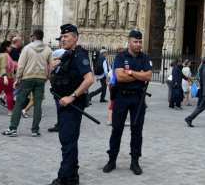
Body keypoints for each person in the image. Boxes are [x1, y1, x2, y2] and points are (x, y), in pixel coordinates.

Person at [47, 24, 95, 185]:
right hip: (60, 102)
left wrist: (72, 96)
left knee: (67, 140)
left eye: (66, 36)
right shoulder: (66, 56)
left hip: (72, 105)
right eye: (61, 37)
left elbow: (90, 79)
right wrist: (51, 67)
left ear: (75, 37)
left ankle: (64, 177)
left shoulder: (79, 55)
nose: (62, 39)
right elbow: (52, 78)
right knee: (67, 139)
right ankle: (73, 176)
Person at [102, 30, 152, 176]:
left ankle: (135, 161)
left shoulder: (145, 57)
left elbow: (148, 76)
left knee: (137, 131)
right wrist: (139, 75)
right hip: (121, 97)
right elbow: (119, 77)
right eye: (135, 41)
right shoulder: (120, 56)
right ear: (129, 42)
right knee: (116, 129)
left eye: (140, 42)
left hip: (138, 98)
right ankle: (112, 160)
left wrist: (130, 73)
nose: (138, 44)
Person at [2, 29, 53, 137]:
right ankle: (35, 130)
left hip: (28, 78)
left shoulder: (27, 48)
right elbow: (51, 66)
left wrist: (17, 79)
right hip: (40, 78)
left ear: (34, 37)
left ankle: (13, 128)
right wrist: (47, 76)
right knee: (38, 104)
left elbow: (21, 65)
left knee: (19, 103)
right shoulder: (48, 49)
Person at [48, 37, 67, 133]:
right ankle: (63, 123)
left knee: (59, 104)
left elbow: (50, 64)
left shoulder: (57, 52)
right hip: (66, 82)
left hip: (58, 81)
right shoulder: (71, 52)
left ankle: (60, 124)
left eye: (59, 40)